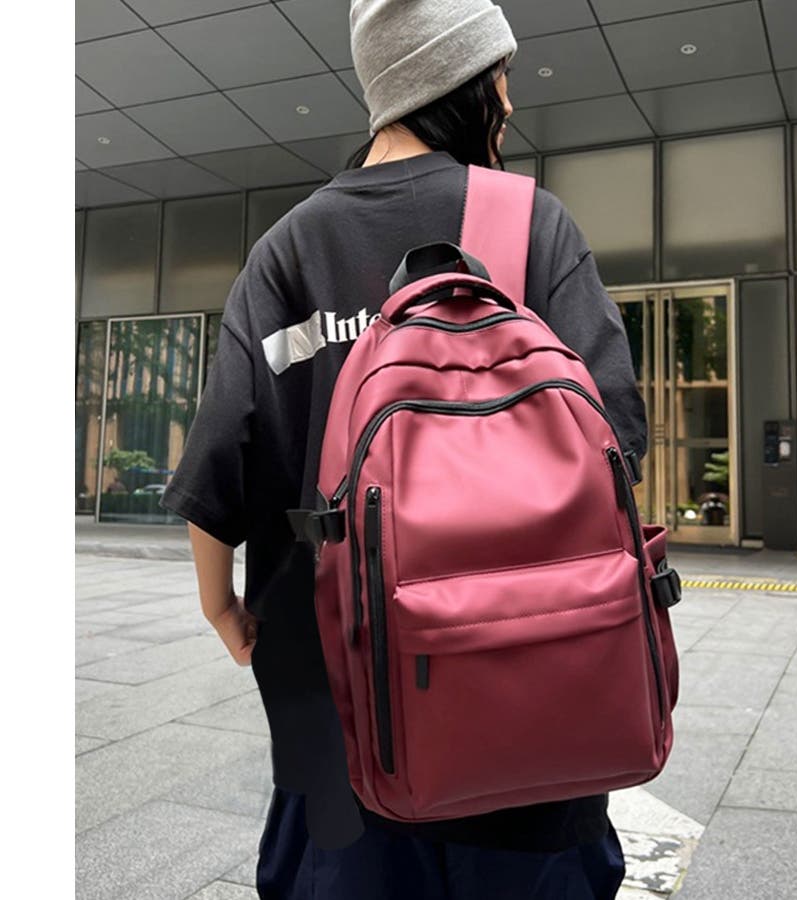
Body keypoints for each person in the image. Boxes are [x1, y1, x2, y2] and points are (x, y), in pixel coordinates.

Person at [161, 1, 647, 897]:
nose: (508, 103)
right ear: (456, 82)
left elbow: (223, 455)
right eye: (499, 77)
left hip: (335, 714)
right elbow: (617, 435)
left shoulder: (286, 249)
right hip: (533, 690)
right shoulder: (531, 225)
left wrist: (219, 605)